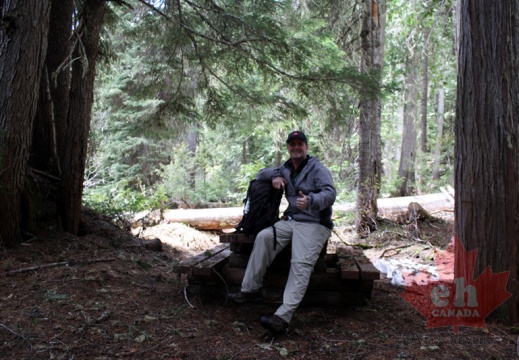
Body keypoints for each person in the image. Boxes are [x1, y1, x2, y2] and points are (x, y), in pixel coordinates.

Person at [228, 130, 336, 334]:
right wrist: (276, 176)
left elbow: (330, 193)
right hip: (292, 220)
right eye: (292, 144)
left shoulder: (317, 168)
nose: (296, 147)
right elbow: (261, 174)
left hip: (314, 223)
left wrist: (311, 201)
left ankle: (282, 317)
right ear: (288, 147)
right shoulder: (286, 168)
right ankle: (250, 290)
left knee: (300, 263)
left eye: (300, 144)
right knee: (264, 237)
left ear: (306, 147)